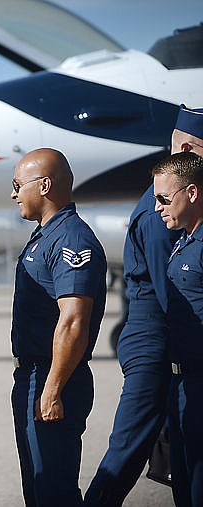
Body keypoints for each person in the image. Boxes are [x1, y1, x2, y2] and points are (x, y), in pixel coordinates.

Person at [84, 105, 203, 506]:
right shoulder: (161, 215)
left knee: (182, 446)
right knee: (131, 445)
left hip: (165, 339)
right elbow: (174, 293)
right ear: (187, 149)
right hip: (158, 341)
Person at [10, 148, 107, 506]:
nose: (14, 193)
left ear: (45, 185)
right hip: (34, 377)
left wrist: (51, 389)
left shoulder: (71, 239)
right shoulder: (46, 234)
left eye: (18, 184)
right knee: (37, 490)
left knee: (54, 492)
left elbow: (73, 320)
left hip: (55, 379)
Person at [152, 151, 203, 507]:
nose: (157, 208)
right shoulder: (184, 241)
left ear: (193, 193)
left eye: (164, 199)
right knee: (182, 484)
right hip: (181, 380)